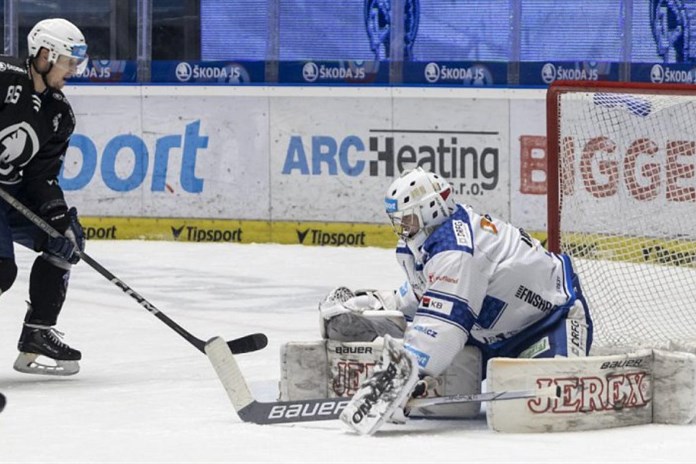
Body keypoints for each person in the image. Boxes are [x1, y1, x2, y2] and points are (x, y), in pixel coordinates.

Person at [324, 167, 593, 435]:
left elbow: (443, 327)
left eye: (407, 219)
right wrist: (377, 307)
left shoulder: (456, 250)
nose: (402, 227)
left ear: (430, 209)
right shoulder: (422, 242)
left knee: (550, 404)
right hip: (488, 336)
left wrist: (404, 377)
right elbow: (425, 297)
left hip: (549, 321)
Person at [0, 18, 88, 376]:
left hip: (11, 193)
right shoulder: (2, 75)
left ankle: (37, 333)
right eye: (69, 61)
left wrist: (57, 218)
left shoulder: (59, 114)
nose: (74, 70)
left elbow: (41, 176)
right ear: (46, 54)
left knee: (65, 241)